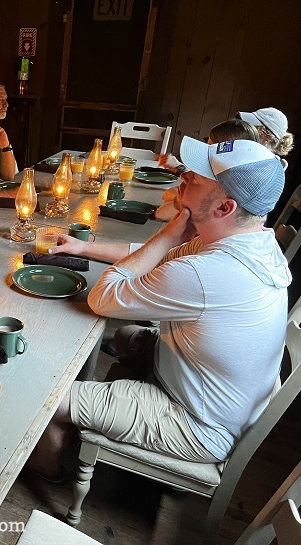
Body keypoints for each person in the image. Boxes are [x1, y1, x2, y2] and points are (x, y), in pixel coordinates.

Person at [28, 137, 290, 478]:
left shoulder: (206, 273)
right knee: (125, 335)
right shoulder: (250, 241)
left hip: (195, 423)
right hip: (212, 395)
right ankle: (92, 412)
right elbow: (152, 254)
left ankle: (47, 467)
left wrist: (166, 236)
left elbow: (102, 298)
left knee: (44, 394)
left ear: (224, 208)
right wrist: (83, 247)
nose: (185, 175)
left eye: (197, 177)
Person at [154, 119, 259, 221]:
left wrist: (175, 197)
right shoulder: (240, 178)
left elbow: (161, 214)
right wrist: (180, 168)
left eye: (210, 149)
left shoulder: (218, 189)